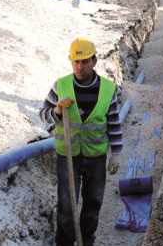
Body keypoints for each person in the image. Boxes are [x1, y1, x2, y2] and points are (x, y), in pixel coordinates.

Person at [39, 38, 122, 246]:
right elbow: (43, 115)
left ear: (94, 61)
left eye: (84, 61)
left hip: (96, 157)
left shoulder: (108, 89)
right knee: (67, 206)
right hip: (68, 156)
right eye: (76, 61)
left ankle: (87, 241)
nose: (79, 66)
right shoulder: (61, 85)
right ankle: (64, 243)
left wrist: (117, 153)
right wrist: (57, 111)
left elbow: (113, 122)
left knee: (93, 203)